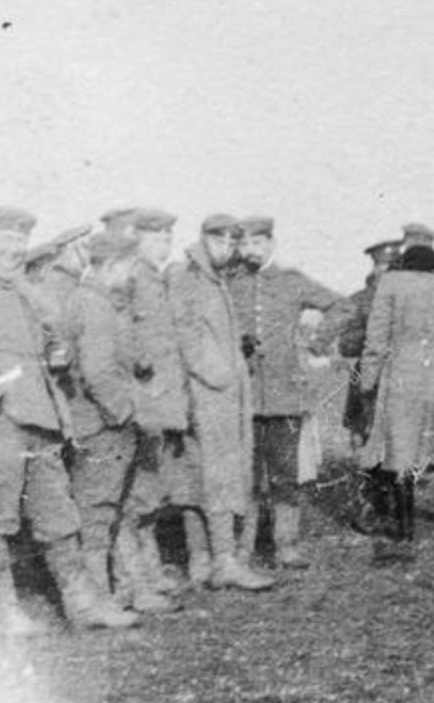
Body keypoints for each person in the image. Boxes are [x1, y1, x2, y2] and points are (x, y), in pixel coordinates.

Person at [0, 206, 137, 635]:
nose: (14, 250)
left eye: (20, 242)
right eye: (5, 242)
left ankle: (83, 606)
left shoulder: (29, 294)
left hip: (41, 422)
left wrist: (56, 358)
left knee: (59, 517)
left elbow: (48, 352)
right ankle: (1, 612)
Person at [62, 231, 180, 614]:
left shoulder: (101, 302)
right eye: (129, 266)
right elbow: (98, 373)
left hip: (109, 422)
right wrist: (129, 414)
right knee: (97, 514)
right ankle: (99, 599)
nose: (132, 275)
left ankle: (130, 589)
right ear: (112, 266)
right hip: (101, 427)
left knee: (120, 508)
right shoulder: (93, 305)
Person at [168, 214, 275, 590]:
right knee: (215, 478)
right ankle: (223, 561)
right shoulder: (188, 277)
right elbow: (186, 337)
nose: (227, 249)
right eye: (221, 242)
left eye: (233, 243)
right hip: (208, 394)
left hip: (220, 395)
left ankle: (203, 562)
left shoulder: (213, 279)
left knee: (206, 477)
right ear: (204, 239)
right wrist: (219, 374)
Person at [228, 215, 341, 568]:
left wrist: (318, 344)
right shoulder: (230, 283)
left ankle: (286, 545)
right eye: (244, 244)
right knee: (245, 475)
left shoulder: (291, 281)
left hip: (285, 394)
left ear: (271, 243)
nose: (250, 251)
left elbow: (341, 306)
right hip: (243, 396)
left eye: (257, 243)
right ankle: (243, 548)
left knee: (285, 474)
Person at [359, 231, 434, 549]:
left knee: (401, 452)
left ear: (406, 247)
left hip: (403, 375)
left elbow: (376, 339)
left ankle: (406, 532)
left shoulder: (391, 282)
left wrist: (368, 382)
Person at [127, 209, 199, 589]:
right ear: (138, 239)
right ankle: (145, 571)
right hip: (147, 400)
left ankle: (152, 566)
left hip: (171, 400)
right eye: (154, 239)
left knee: (159, 486)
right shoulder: (132, 278)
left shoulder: (166, 279)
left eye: (166, 239)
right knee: (143, 489)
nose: (162, 246)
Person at [310, 239, 402, 534]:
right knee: (368, 444)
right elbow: (345, 342)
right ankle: (371, 508)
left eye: (392, 266)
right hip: (370, 384)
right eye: (381, 265)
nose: (386, 271)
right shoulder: (361, 299)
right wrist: (373, 339)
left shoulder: (413, 299)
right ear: (374, 268)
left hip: (405, 382)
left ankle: (397, 508)